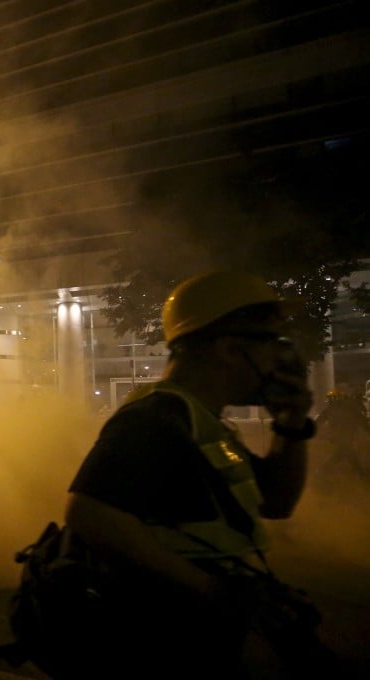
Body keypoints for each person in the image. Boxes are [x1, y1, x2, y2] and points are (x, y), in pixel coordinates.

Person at [63, 271, 334, 678]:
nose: (280, 358)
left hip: (196, 639)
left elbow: (275, 502)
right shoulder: (156, 418)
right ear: (228, 348)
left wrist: (291, 424)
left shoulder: (201, 422)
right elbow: (88, 512)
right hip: (159, 645)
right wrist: (215, 591)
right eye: (270, 342)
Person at [315, 385, 368, 480]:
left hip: (340, 436)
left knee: (346, 453)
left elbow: (318, 421)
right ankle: (323, 471)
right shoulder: (350, 408)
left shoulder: (331, 409)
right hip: (344, 436)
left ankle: (361, 474)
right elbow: (362, 421)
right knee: (343, 453)